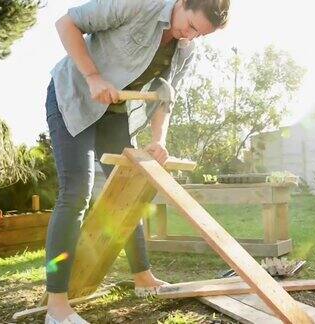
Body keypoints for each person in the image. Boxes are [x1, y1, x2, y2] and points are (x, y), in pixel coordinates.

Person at [44, 0, 229, 323]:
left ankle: (143, 277)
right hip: (74, 96)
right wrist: (93, 76)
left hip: (115, 114)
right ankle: (56, 306)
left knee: (130, 188)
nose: (189, 35)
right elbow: (66, 23)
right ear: (183, 2)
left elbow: (164, 97)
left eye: (199, 34)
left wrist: (159, 140)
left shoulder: (186, 49)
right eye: (190, 25)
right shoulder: (139, 5)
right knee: (76, 193)